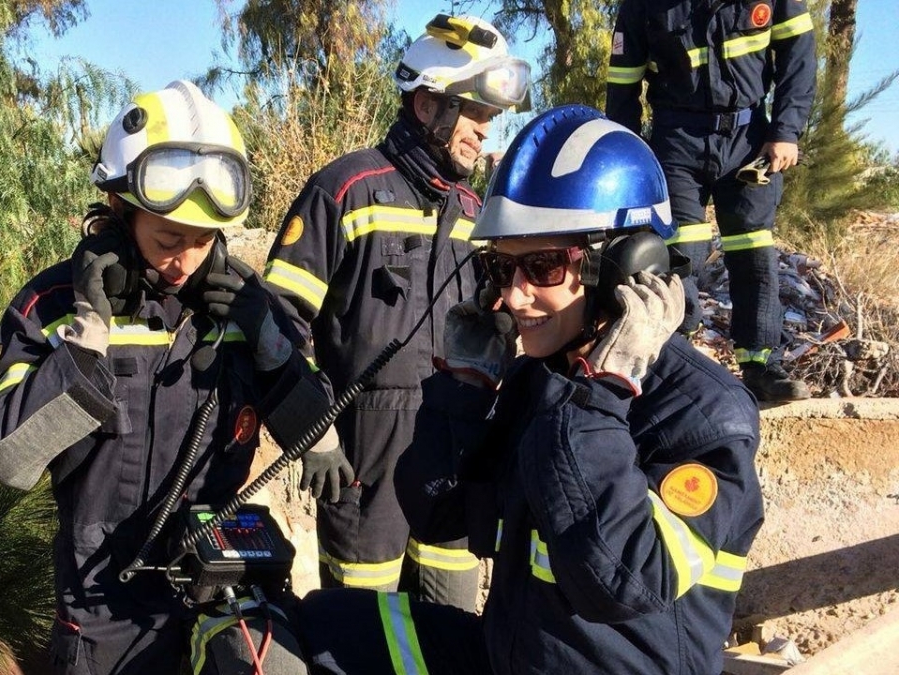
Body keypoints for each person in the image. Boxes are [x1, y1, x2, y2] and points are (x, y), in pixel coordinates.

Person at [296, 104, 765, 675]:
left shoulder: (704, 416)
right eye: (501, 268)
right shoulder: (539, 382)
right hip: (510, 658)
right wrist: (464, 387)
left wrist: (602, 391)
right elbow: (436, 513)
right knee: (312, 625)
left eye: (542, 266)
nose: (515, 296)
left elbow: (619, 582)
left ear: (625, 268)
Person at [0, 80, 325, 675]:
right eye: (168, 239)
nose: (187, 262)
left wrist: (272, 346)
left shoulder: (246, 304)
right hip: (102, 602)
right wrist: (86, 342)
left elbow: (317, 432)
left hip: (217, 586)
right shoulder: (53, 306)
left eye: (204, 241)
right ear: (118, 214)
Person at [261, 13, 530, 610]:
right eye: (476, 112)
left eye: (490, 117)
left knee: (451, 622)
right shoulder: (345, 190)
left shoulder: (473, 211)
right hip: (362, 453)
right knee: (362, 625)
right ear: (428, 105)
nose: (486, 130)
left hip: (451, 455)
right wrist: (313, 431)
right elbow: (276, 325)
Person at [605, 0, 817, 402]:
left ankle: (761, 366)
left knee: (753, 249)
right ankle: (674, 362)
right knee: (681, 250)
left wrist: (786, 131)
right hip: (675, 138)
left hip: (750, 139)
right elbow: (622, 82)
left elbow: (799, 58)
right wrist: (628, 153)